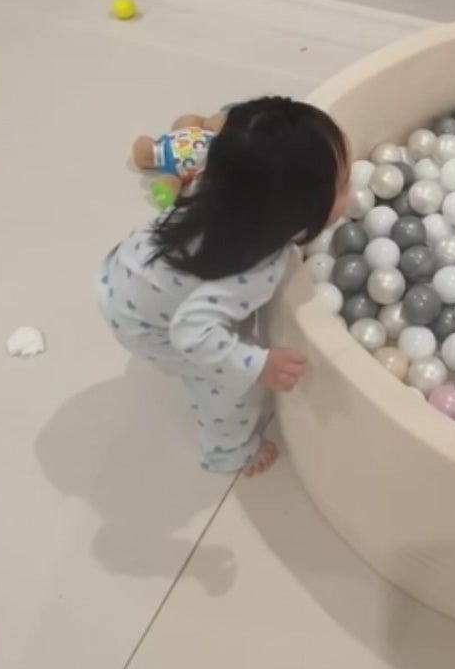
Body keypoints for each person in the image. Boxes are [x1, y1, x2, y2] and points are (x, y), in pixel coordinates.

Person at [98, 96, 350, 477]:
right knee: (229, 390)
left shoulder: (223, 184)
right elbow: (190, 334)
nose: (352, 192)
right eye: (343, 186)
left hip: (126, 269)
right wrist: (257, 365)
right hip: (145, 322)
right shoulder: (257, 266)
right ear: (295, 212)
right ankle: (229, 452)